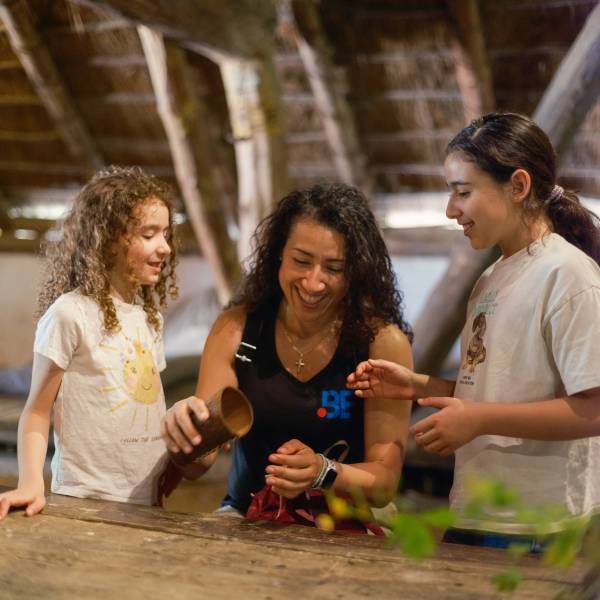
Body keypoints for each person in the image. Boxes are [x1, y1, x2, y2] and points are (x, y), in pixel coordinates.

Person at [347, 112, 600, 549]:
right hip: (478, 511)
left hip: (541, 527)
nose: (451, 210)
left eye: (463, 192)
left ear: (518, 187)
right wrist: (416, 385)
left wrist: (478, 420)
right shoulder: (493, 277)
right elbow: (502, 386)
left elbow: (593, 409)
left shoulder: (567, 275)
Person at [162, 183, 413, 520]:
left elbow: (384, 484)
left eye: (334, 268)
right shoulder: (236, 329)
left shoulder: (381, 343)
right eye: (301, 261)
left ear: (356, 272)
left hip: (350, 522)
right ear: (278, 253)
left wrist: (322, 471)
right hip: (248, 514)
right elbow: (198, 466)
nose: (313, 282)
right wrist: (183, 430)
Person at [0, 166, 178, 518]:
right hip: (84, 499)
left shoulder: (149, 319)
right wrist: (32, 482)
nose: (165, 248)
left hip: (146, 500)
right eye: (149, 234)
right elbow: (37, 410)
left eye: (167, 234)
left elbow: (145, 408)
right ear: (108, 238)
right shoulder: (70, 314)